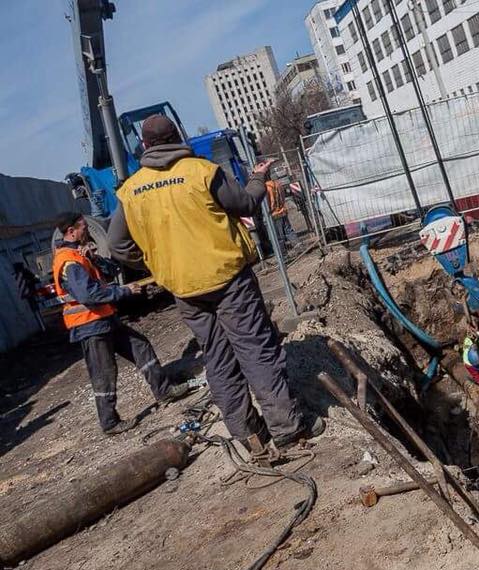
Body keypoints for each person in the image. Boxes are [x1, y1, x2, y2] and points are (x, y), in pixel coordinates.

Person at [106, 114, 323, 456]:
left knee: (218, 359)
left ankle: (249, 436)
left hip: (185, 290)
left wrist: (159, 260)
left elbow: (117, 246)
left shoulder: (131, 191)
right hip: (228, 280)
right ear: (178, 136)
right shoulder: (201, 171)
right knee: (256, 351)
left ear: (144, 147)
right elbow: (247, 203)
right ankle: (288, 429)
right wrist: (257, 177)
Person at [52, 212, 188, 434]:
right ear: (71, 231)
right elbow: (89, 295)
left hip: (104, 319)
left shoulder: (80, 254)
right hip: (90, 325)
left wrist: (95, 258)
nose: (87, 230)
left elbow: (111, 270)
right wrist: (123, 291)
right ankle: (110, 423)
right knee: (104, 372)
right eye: (84, 227)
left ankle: (163, 391)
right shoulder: (68, 261)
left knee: (140, 346)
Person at [265, 178, 294, 246]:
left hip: (274, 213)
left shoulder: (266, 187)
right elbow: (283, 197)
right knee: (289, 230)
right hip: (282, 210)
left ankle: (283, 253)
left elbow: (267, 202)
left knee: (278, 235)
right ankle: (298, 245)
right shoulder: (278, 183)